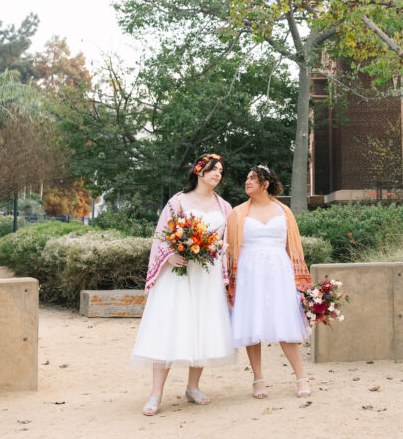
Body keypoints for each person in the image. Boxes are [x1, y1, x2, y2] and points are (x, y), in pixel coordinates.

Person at [130, 153, 235, 415]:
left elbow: (225, 244)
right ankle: (155, 394)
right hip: (179, 274)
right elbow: (162, 235)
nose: (217, 174)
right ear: (199, 172)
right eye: (213, 169)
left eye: (221, 171)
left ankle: (193, 387)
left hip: (207, 277)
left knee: (202, 327)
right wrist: (171, 255)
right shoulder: (178, 202)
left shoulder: (225, 207)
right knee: (169, 327)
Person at [225, 165, 313, 399]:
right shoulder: (237, 213)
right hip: (248, 272)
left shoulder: (284, 212)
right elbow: (230, 250)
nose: (247, 182)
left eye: (253, 178)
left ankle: (301, 377)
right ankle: (258, 380)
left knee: (285, 321)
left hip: (279, 271)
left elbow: (292, 246)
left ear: (266, 184)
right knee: (251, 324)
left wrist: (300, 279)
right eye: (246, 178)